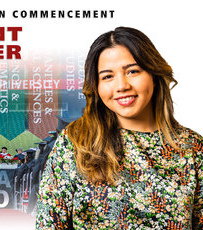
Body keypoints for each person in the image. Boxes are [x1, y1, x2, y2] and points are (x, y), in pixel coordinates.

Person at [36, 26, 203, 229]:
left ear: (153, 73)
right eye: (107, 76)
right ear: (96, 86)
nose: (121, 85)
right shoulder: (75, 142)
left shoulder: (193, 148)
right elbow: (49, 224)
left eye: (132, 71)